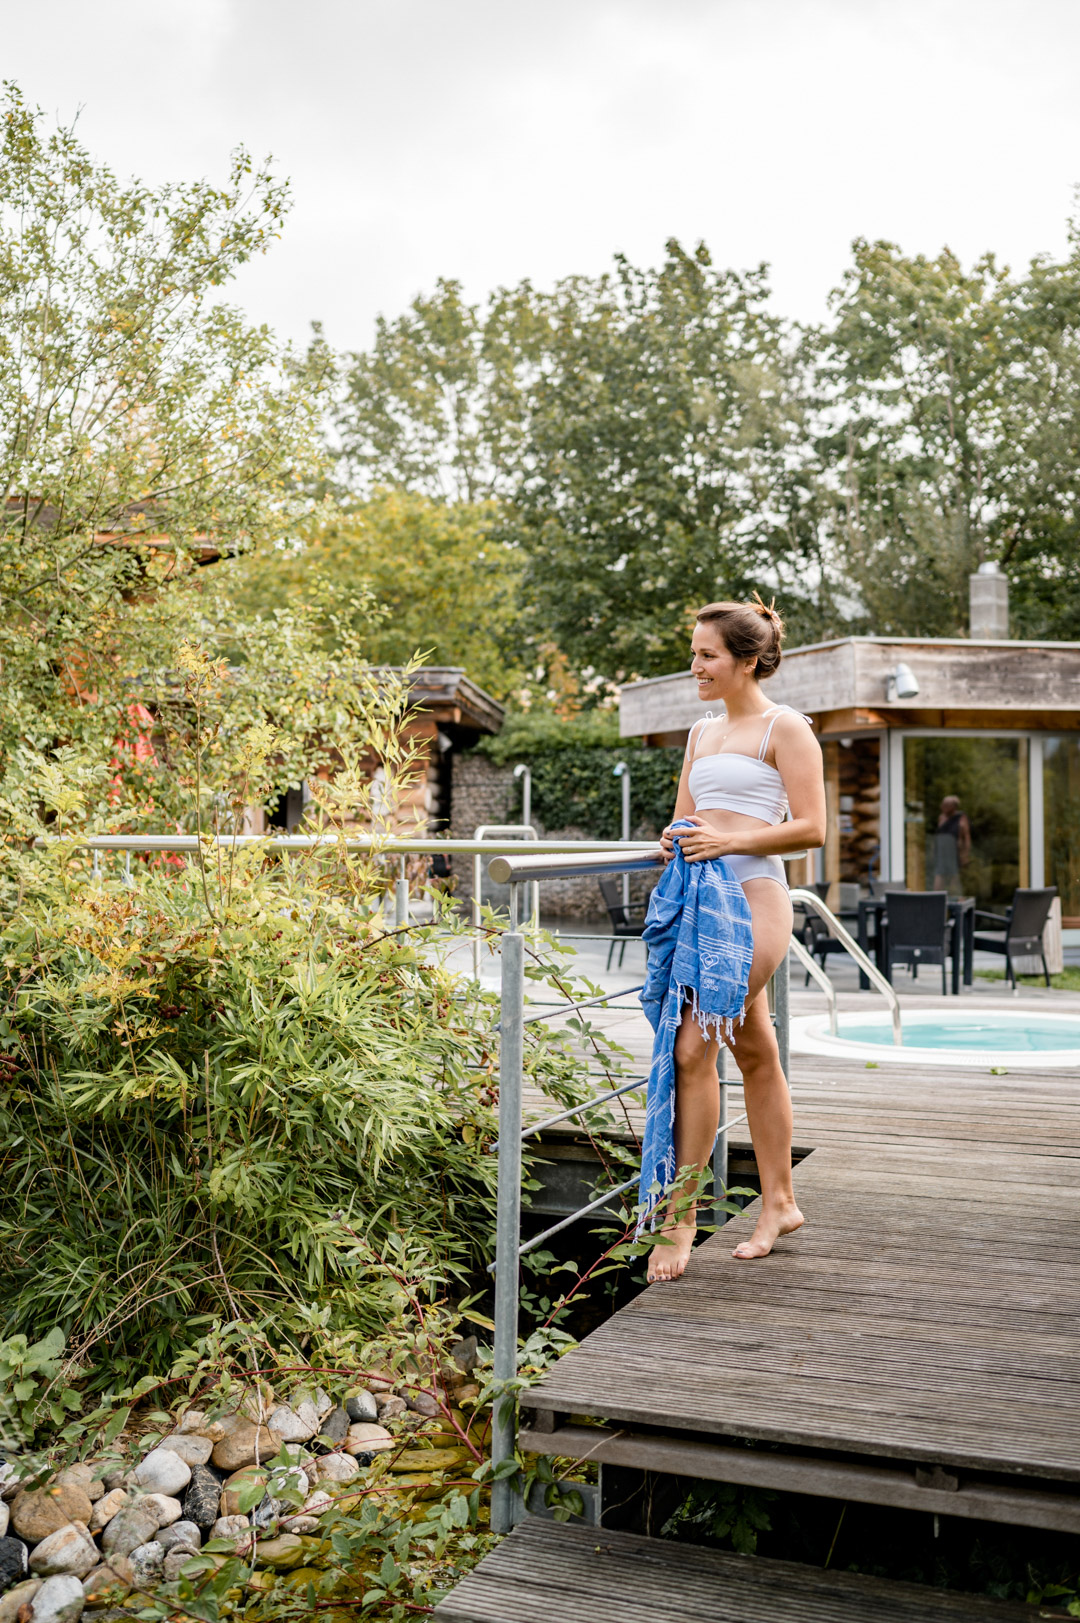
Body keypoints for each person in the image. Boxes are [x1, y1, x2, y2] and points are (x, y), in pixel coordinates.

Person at [649, 596, 826, 1281]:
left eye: (707, 655)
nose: (696, 666)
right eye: (694, 653)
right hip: (701, 905)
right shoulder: (700, 733)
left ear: (746, 660)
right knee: (753, 1047)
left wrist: (730, 839)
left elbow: (811, 828)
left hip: (756, 900)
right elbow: (684, 821)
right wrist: (673, 838)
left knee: (694, 1043)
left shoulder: (788, 728)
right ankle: (780, 1199)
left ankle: (681, 1217)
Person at [932, 795, 971, 895]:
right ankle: (937, 904)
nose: (942, 807)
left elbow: (966, 838)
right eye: (943, 804)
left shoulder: (961, 818)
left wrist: (965, 855)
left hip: (953, 853)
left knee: (955, 884)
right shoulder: (941, 818)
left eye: (946, 805)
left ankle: (958, 906)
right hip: (941, 854)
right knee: (938, 883)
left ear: (953, 806)